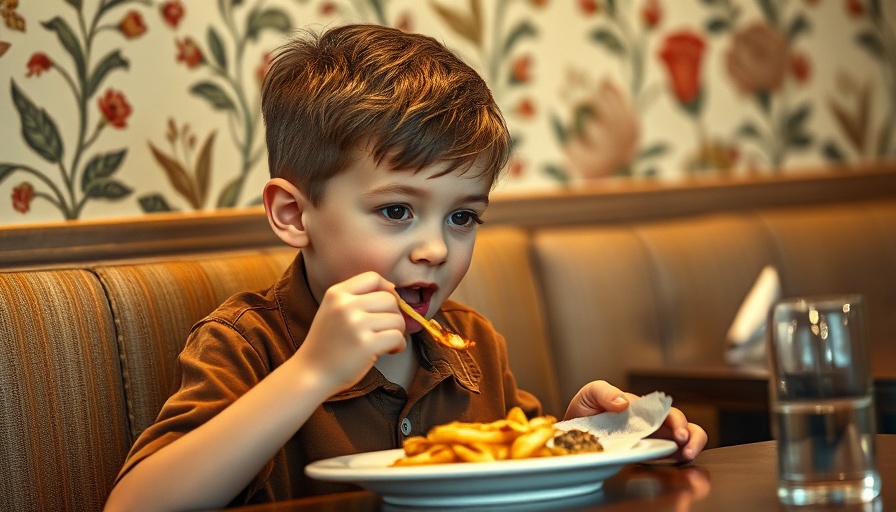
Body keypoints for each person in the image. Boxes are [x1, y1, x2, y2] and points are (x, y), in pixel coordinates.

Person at [104, 23, 706, 511]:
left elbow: (515, 471)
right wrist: (311, 371)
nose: (436, 250)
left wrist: (579, 438)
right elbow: (134, 505)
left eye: (462, 218)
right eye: (396, 210)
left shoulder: (472, 346)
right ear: (294, 214)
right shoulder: (246, 343)